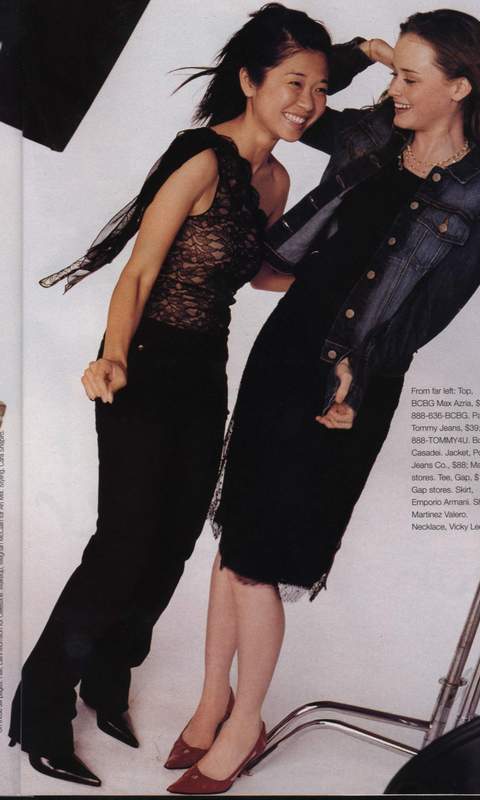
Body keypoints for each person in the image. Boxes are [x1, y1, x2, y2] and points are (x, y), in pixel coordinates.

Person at [164, 9, 480, 795]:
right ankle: (209, 702)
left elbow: (431, 313)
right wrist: (360, 53)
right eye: (393, 73)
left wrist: (354, 375)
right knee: (234, 538)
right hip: (283, 351)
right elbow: (299, 103)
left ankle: (245, 724)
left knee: (261, 559)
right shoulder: (373, 134)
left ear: (459, 87)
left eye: (410, 78)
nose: (394, 90)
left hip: (349, 379)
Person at [8, 3, 333, 788]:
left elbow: (255, 270)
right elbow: (140, 271)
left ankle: (107, 678)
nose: (308, 102)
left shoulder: (275, 178)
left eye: (321, 88)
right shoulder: (200, 160)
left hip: (203, 370)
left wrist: (332, 274)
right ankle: (38, 709)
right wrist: (113, 357)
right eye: (293, 82)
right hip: (143, 361)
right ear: (250, 81)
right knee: (123, 544)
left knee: (175, 540)